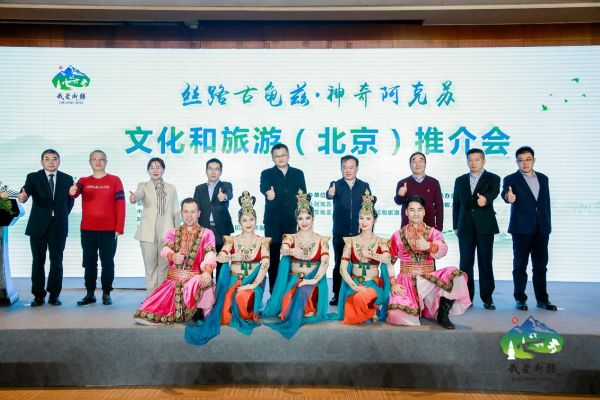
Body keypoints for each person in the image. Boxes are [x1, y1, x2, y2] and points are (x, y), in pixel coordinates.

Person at [185, 191, 271, 344]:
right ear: (239, 222)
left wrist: (252, 285)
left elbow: (265, 265)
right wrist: (233, 257)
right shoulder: (232, 240)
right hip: (233, 281)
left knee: (242, 297)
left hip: (253, 282)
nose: (248, 223)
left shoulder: (262, 242)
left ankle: (247, 311)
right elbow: (219, 257)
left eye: (251, 219)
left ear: (256, 221)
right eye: (244, 220)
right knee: (224, 310)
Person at [387, 195, 471, 329]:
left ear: (424, 212)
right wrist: (393, 284)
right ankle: (417, 308)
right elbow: (389, 262)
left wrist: (428, 245)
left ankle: (442, 313)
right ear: (406, 212)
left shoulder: (433, 233)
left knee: (456, 274)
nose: (416, 213)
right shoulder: (397, 235)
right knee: (395, 315)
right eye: (412, 210)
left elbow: (443, 250)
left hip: (428, 281)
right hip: (406, 282)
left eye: (419, 209)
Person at [134, 198, 217, 324]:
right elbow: (165, 249)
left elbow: (210, 254)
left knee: (205, 281)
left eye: (193, 212)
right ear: (181, 213)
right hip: (173, 282)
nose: (189, 216)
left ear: (199, 213)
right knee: (145, 314)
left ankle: (201, 311)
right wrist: (173, 256)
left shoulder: (207, 233)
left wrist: (207, 271)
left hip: (195, 282)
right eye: (186, 212)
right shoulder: (173, 232)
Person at [263, 190, 330, 339]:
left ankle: (308, 308)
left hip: (313, 281)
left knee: (303, 293)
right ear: (296, 220)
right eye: (300, 218)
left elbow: (325, 262)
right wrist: (293, 251)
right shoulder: (290, 237)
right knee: (287, 309)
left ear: (313, 218)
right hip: (294, 279)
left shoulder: (322, 240)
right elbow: (283, 250)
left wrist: (312, 280)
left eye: (308, 217)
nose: (304, 222)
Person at [501, 146, 557, 311]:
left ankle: (542, 299)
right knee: (520, 265)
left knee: (541, 266)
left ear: (534, 160)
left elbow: (545, 203)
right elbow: (505, 194)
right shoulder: (511, 179)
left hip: (541, 229)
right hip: (521, 229)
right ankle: (520, 299)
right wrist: (508, 197)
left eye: (528, 159)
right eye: (521, 160)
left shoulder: (544, 178)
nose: (524, 163)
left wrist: (547, 225)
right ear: (516, 162)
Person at [18, 149, 74, 306]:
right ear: (41, 162)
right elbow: (25, 191)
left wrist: (60, 216)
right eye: (47, 159)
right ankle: (38, 295)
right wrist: (22, 196)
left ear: (59, 161)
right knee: (38, 261)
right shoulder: (33, 177)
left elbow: (69, 203)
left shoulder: (67, 178)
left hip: (58, 226)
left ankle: (54, 295)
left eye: (54, 158)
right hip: (38, 225)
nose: (51, 162)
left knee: (57, 261)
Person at [69, 150, 125, 306]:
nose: (98, 161)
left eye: (101, 159)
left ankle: (106, 293)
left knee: (108, 263)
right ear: (90, 162)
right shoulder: (83, 180)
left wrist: (119, 227)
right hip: (88, 229)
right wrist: (72, 191)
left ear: (106, 162)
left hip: (109, 230)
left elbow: (120, 205)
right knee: (89, 263)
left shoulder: (115, 180)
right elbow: (75, 193)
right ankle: (90, 294)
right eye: (94, 159)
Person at [452, 148, 500, 310]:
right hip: (465, 227)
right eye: (470, 160)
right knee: (465, 263)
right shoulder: (460, 180)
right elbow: (456, 204)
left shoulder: (493, 178)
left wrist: (485, 200)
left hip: (485, 226)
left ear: (483, 161)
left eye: (477, 159)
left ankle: (487, 297)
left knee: (485, 262)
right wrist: (455, 226)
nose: (473, 163)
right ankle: (467, 297)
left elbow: (493, 193)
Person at [337, 190, 392, 324]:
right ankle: (370, 310)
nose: (364, 222)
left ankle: (370, 307)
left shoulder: (381, 242)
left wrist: (370, 254)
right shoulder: (350, 242)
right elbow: (342, 269)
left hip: (373, 285)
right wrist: (355, 287)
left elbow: (388, 259)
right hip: (355, 285)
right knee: (352, 304)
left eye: (368, 218)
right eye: (361, 218)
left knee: (360, 298)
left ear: (375, 220)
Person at [259, 143, 306, 293]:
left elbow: (303, 195)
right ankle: (274, 291)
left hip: (291, 222)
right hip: (273, 223)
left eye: (283, 155)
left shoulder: (298, 173)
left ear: (288, 155)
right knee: (273, 258)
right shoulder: (266, 173)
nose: (281, 158)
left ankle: (288, 290)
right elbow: (264, 187)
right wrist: (268, 194)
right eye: (277, 156)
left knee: (290, 257)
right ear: (273, 158)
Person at [129, 157, 180, 292]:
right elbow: (138, 195)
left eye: (158, 167)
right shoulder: (143, 186)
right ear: (148, 170)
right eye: (152, 167)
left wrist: (177, 233)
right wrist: (134, 198)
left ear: (163, 170)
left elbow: (176, 211)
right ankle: (151, 297)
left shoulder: (171, 188)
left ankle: (161, 297)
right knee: (150, 267)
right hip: (148, 231)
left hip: (167, 231)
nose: (155, 170)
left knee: (164, 266)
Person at [325, 155, 371, 306]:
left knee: (358, 264)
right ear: (341, 168)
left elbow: (369, 206)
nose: (348, 170)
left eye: (351, 167)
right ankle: (337, 294)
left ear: (357, 168)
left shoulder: (364, 186)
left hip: (359, 234)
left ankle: (357, 293)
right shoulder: (336, 185)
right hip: (340, 232)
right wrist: (330, 193)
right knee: (339, 263)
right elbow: (328, 195)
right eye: (345, 167)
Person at [193, 158, 234, 282]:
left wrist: (224, 196)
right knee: (206, 262)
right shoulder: (199, 188)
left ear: (220, 171)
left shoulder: (226, 185)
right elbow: (195, 207)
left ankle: (220, 291)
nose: (213, 172)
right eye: (210, 169)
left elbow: (229, 194)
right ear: (206, 171)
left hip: (221, 230)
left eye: (216, 169)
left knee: (222, 261)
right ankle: (208, 290)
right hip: (204, 229)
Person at [394, 152, 444, 231]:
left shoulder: (434, 182)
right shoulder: (403, 183)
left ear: (425, 164)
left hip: (429, 227)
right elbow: (398, 202)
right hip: (407, 228)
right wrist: (400, 195)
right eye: (414, 161)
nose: (417, 164)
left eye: (421, 161)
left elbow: (439, 206)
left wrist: (439, 227)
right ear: (410, 165)